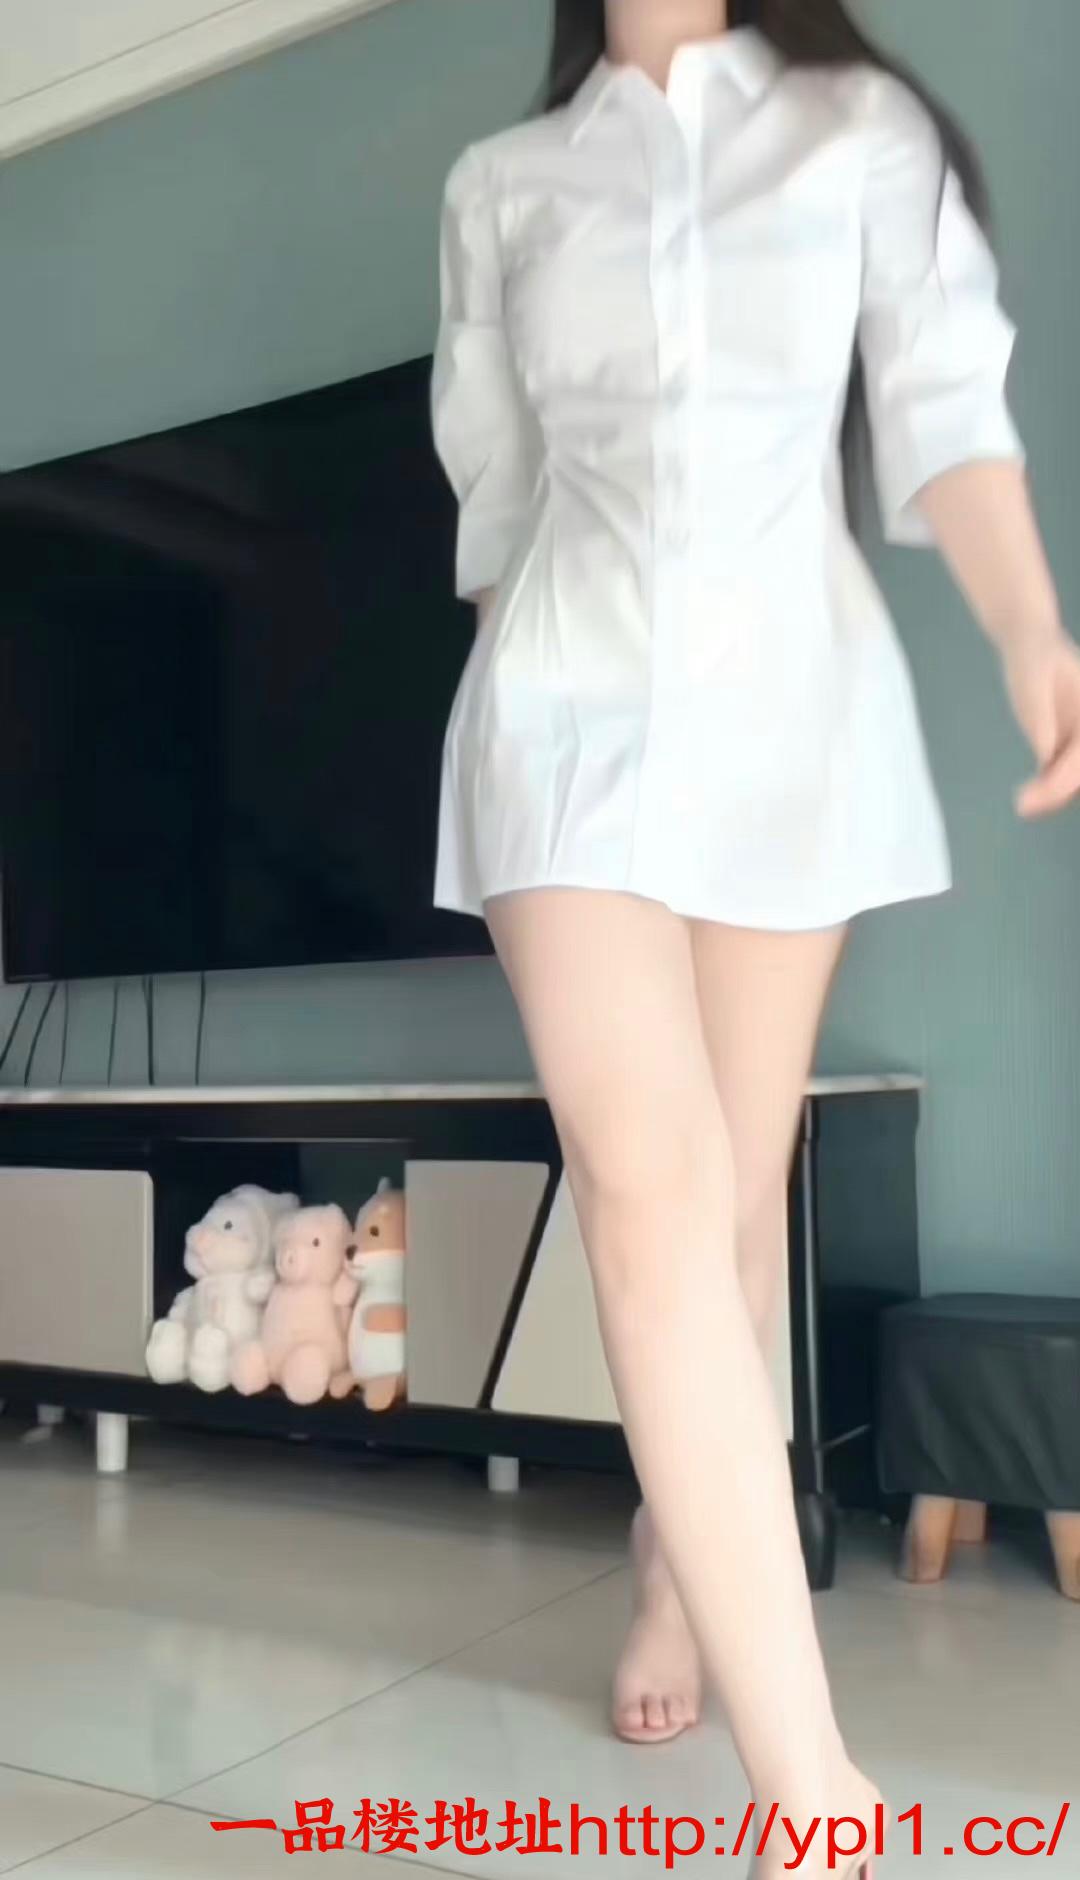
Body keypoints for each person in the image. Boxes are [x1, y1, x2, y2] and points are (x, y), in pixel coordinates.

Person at [429, 2, 1080, 1874]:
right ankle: (817, 1797)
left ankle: (675, 1564)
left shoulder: (853, 125)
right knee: (645, 1195)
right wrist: (497, 728)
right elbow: (498, 499)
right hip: (560, 705)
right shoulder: (504, 184)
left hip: (792, 714)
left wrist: (1031, 630)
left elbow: (942, 405)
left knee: (729, 1204)